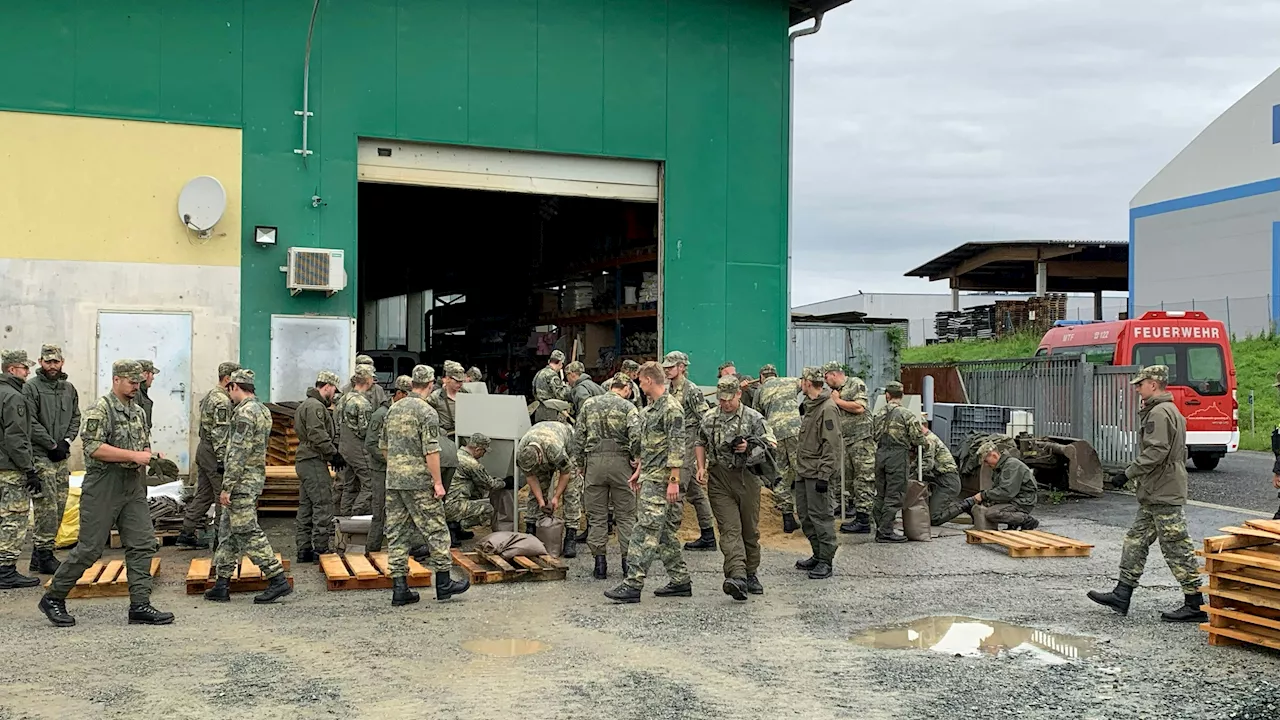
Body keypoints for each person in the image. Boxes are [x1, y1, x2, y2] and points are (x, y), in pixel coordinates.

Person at [39, 359, 172, 627]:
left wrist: (151, 456)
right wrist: (134, 455)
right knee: (90, 549)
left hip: (132, 484)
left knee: (143, 543)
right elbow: (93, 448)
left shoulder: (137, 411)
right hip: (103, 485)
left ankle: (140, 605)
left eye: (139, 382)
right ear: (116, 380)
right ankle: (53, 597)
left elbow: (139, 445)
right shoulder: (100, 409)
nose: (136, 387)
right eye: (132, 382)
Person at [1089, 365, 1206, 623]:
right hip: (1156, 490)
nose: (1137, 389)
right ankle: (1122, 594)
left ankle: (1195, 603)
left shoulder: (1159, 413)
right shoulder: (1169, 410)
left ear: (1153, 384)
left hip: (1163, 490)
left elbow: (1156, 452)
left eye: (1140, 384)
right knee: (1136, 541)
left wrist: (1127, 473)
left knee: (1176, 546)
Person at [381, 364, 470, 606]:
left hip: (394, 481)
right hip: (420, 481)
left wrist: (397, 469)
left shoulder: (394, 409)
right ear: (431, 384)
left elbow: (384, 447)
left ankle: (400, 588)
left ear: (411, 384)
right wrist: (438, 483)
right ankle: (443, 583)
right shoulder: (427, 412)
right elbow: (431, 450)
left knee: (397, 533)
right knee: (437, 530)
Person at [604, 361, 692, 603]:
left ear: (650, 380)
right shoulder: (653, 408)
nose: (639, 386)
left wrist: (674, 480)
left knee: (644, 530)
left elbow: (677, 445)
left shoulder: (671, 408)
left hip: (662, 480)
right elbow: (652, 444)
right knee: (663, 533)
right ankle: (680, 580)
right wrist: (640, 470)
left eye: (641, 381)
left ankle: (633, 584)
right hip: (651, 475)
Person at [203, 369, 292, 604]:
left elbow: (238, 453)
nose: (228, 394)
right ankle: (222, 583)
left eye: (230, 389)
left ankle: (277, 578)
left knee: (247, 532)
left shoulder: (244, 413)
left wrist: (227, 486)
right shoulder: (262, 410)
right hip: (252, 478)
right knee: (227, 533)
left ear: (235, 387)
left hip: (242, 481)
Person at [696, 376, 774, 600]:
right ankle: (737, 575)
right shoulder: (709, 417)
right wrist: (701, 467)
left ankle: (750, 573)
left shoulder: (753, 417)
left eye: (729, 399)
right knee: (730, 529)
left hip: (747, 477)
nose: (725, 404)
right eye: (722, 399)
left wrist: (749, 446)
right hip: (720, 478)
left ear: (739, 394)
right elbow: (700, 442)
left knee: (749, 530)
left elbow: (770, 443)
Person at [575, 373, 640, 580]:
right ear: (627, 389)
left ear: (611, 385)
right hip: (621, 463)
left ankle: (599, 564)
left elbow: (578, 436)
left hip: (594, 462)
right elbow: (636, 436)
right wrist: (636, 459)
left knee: (597, 515)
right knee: (626, 515)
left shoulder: (588, 405)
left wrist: (580, 464)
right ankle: (627, 564)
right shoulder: (628, 407)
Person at [23, 344, 80, 574]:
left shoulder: (68, 389)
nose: (52, 366)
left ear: (62, 362)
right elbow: (30, 421)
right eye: (48, 362)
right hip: (41, 455)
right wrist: (51, 444)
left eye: (55, 362)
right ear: (40, 362)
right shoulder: (31, 388)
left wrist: (67, 440)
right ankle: (45, 554)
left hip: (60, 456)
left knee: (60, 504)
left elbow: (76, 416)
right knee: (46, 505)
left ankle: (38, 555)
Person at [177, 361, 239, 549]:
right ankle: (221, 541)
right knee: (223, 495)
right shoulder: (222, 401)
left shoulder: (210, 395)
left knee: (204, 495)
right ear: (228, 379)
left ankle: (186, 533)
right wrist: (223, 460)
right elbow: (220, 432)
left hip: (204, 449)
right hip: (213, 452)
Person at [662, 351, 717, 552]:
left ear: (682, 367)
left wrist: (703, 450)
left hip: (687, 443)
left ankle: (668, 540)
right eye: (666, 367)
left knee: (677, 490)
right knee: (695, 491)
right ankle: (708, 535)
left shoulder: (691, 390)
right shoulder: (668, 389)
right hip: (675, 441)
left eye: (671, 366)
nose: (667, 369)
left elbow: (705, 418)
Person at [0, 350, 42, 590]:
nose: (28, 372)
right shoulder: (14, 397)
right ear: (12, 370)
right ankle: (5, 571)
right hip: (10, 468)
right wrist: (29, 469)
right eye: (24, 368)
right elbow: (16, 437)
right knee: (13, 519)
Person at [794, 367, 840, 579]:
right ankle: (817, 553)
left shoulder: (827, 408)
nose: (800, 383)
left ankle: (826, 560)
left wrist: (824, 475)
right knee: (806, 516)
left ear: (808, 383)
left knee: (821, 517)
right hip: (804, 471)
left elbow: (831, 445)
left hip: (817, 473)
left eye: (802, 380)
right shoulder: (811, 406)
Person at [294, 370, 344, 562]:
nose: (334, 395)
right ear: (327, 386)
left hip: (306, 460)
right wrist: (333, 454)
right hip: (313, 460)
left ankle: (304, 548)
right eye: (334, 390)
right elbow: (317, 434)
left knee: (306, 506)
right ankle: (321, 549)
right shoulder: (315, 406)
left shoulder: (305, 404)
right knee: (323, 504)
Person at [821, 362, 873, 532]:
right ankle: (854, 510)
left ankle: (864, 520)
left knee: (863, 478)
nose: (825, 380)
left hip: (861, 440)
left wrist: (837, 401)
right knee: (848, 480)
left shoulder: (855, 384)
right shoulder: (834, 392)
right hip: (846, 441)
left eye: (826, 376)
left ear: (834, 374)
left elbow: (859, 407)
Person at [515, 420, 580, 557]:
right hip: (540, 438)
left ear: (539, 458)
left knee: (571, 492)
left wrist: (556, 497)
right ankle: (531, 530)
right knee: (535, 493)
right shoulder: (521, 453)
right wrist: (541, 501)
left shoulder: (554, 449)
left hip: (566, 444)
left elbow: (566, 473)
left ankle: (570, 535)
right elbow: (531, 477)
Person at [871, 381, 925, 544]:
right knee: (895, 494)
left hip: (880, 454)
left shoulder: (878, 413)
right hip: (898, 456)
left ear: (887, 395)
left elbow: (873, 434)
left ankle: (880, 526)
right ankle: (885, 531)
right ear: (901, 396)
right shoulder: (907, 414)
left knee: (880, 493)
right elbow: (918, 439)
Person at [366, 376, 409, 552]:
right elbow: (370, 444)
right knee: (380, 511)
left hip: (398, 470)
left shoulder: (402, 412)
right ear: (399, 393)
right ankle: (373, 549)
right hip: (382, 470)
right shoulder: (381, 415)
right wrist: (390, 460)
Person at [953, 442, 1039, 530]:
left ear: (994, 455)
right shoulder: (1001, 467)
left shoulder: (1011, 466)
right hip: (1015, 498)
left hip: (1023, 501)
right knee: (987, 506)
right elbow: (999, 490)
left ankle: (1026, 520)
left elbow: (1006, 492)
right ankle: (1013, 523)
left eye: (986, 461)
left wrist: (983, 495)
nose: (986, 465)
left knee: (992, 513)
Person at [755, 364, 800, 532]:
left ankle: (787, 517)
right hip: (795, 431)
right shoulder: (790, 381)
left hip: (774, 435)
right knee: (801, 470)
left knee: (779, 473)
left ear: (761, 377)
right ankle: (806, 514)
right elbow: (808, 387)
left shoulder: (760, 390)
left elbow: (757, 416)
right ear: (776, 374)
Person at [445, 433, 505, 546]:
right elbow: (489, 484)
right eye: (484, 451)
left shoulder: (455, 454)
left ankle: (455, 529)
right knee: (488, 510)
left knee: (473, 497)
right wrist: (505, 482)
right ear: (477, 449)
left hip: (444, 502)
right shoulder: (472, 464)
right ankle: (453, 527)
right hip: (454, 506)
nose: (483, 455)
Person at [336, 365, 376, 516]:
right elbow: (365, 431)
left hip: (344, 447)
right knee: (370, 484)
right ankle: (356, 515)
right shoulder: (362, 403)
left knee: (349, 485)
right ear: (367, 380)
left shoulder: (343, 399)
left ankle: (344, 520)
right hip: (359, 449)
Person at [916, 422, 962, 526]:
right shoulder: (925, 440)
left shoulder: (930, 440)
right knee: (927, 514)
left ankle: (965, 505)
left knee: (933, 518)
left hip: (948, 482)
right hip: (941, 479)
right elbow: (918, 462)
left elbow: (927, 464)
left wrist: (911, 476)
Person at [533, 350, 572, 423]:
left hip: (538, 410)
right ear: (560, 363)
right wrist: (568, 387)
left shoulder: (539, 373)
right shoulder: (552, 375)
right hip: (550, 411)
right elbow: (561, 394)